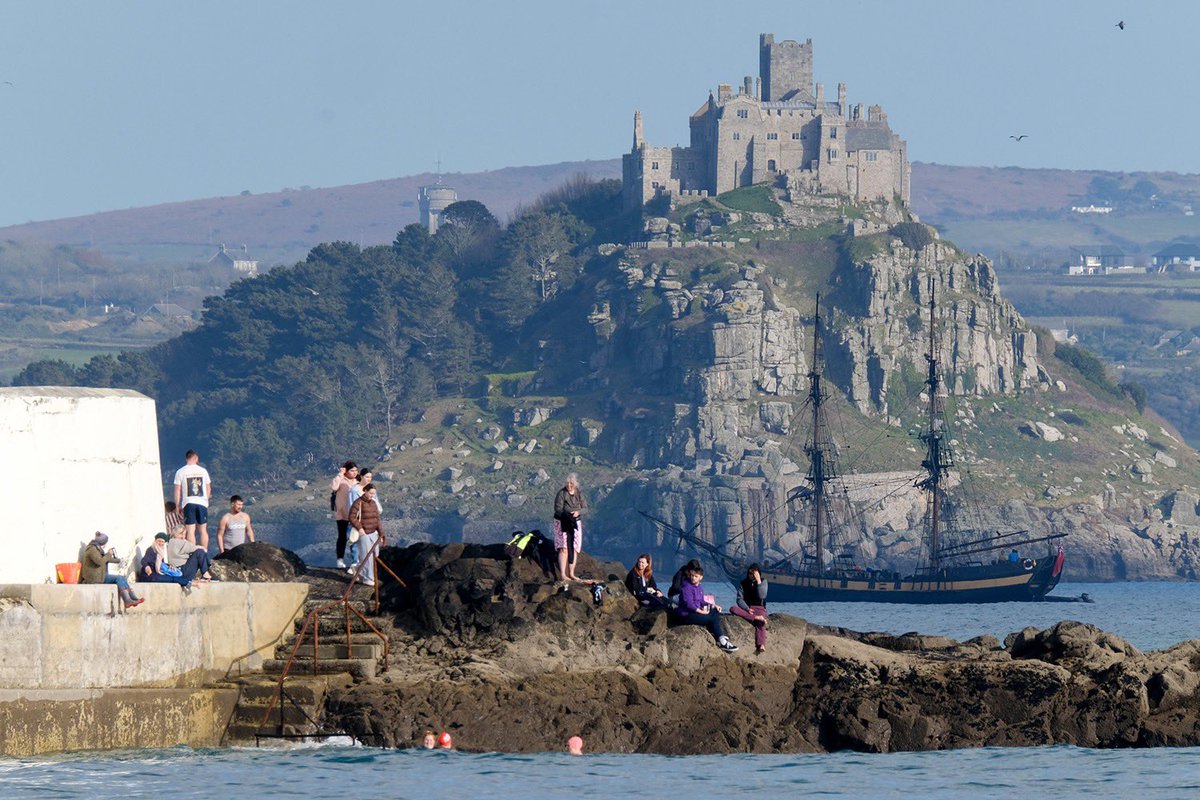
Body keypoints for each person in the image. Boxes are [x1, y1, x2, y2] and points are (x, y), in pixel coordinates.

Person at [671, 563, 737, 652]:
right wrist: (702, 612)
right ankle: (722, 641)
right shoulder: (686, 587)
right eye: (692, 575)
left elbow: (702, 601)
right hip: (686, 615)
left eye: (696, 576)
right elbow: (689, 604)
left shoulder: (699, 587)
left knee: (715, 611)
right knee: (711, 619)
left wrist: (713, 605)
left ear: (701, 577)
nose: (693, 578)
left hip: (695, 612)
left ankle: (720, 636)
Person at [80, 532, 144, 608]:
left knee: (122, 578)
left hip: (100, 575)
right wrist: (108, 554)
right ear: (103, 542)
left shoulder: (96, 548)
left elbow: (105, 559)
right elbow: (100, 561)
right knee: (119, 578)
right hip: (95, 578)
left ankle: (132, 598)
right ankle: (127, 601)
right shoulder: (92, 550)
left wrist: (119, 560)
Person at [173, 449, 213, 549]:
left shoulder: (180, 471)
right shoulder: (203, 471)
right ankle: (204, 551)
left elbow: (177, 490)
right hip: (202, 502)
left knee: (190, 530)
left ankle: (192, 553)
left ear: (186, 458)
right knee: (203, 530)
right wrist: (206, 500)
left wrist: (177, 505)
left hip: (188, 503)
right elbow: (208, 488)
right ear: (196, 458)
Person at [348, 483, 384, 587]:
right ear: (365, 491)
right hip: (363, 533)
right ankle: (369, 579)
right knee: (366, 556)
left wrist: (381, 533)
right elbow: (352, 517)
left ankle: (358, 569)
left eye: (374, 494)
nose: (372, 495)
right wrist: (360, 528)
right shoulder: (358, 503)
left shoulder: (373, 503)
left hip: (373, 533)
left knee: (375, 554)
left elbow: (377, 519)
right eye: (371, 493)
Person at [553, 473, 587, 583]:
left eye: (571, 483)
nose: (569, 485)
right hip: (562, 522)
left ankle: (572, 573)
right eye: (567, 483)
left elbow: (585, 508)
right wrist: (567, 515)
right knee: (564, 548)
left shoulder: (579, 493)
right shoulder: (561, 493)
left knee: (574, 547)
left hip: (575, 522)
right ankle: (563, 574)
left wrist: (578, 512)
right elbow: (558, 509)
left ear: (575, 484)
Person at [730, 564, 769, 654]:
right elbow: (739, 599)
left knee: (761, 623)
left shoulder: (763, 581)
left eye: (754, 573)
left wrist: (758, 581)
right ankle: (755, 618)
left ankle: (761, 644)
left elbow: (762, 595)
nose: (752, 575)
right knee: (732, 609)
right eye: (750, 573)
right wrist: (747, 608)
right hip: (747, 609)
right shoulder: (743, 583)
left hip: (759, 608)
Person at [331, 461, 359, 568]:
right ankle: (340, 559)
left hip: (355, 514)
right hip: (342, 514)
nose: (354, 473)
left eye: (356, 470)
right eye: (352, 470)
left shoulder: (358, 481)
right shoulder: (341, 480)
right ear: (346, 470)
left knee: (354, 538)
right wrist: (340, 474)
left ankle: (355, 561)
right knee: (342, 537)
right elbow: (334, 487)